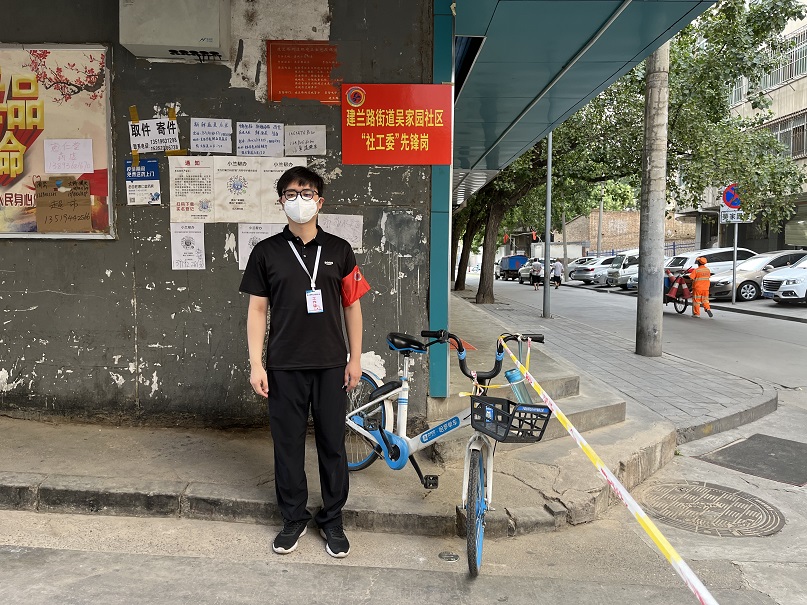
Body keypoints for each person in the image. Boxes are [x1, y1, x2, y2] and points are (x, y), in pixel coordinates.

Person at [239, 166, 371, 559]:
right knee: (287, 446)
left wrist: (355, 358)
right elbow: (257, 311)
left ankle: (332, 519)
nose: (300, 200)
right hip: (284, 366)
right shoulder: (266, 252)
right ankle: (293, 518)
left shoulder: (340, 250)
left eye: (307, 193)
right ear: (281, 201)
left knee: (333, 445)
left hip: (331, 365)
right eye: (292, 194)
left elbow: (353, 307)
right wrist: (256, 364)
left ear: (320, 201)